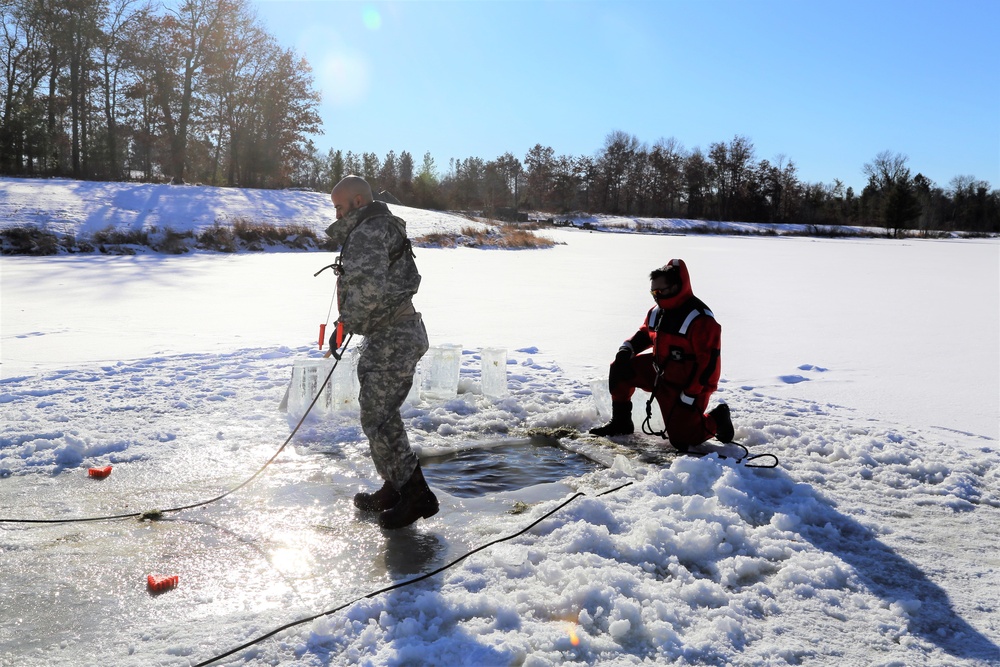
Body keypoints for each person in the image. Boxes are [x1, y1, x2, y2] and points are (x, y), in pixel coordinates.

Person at [324, 175, 438, 530]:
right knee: (380, 416)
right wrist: (349, 324)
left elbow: (368, 290)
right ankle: (395, 487)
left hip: (393, 336)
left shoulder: (370, 231)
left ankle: (417, 495)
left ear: (358, 202)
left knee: (379, 418)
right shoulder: (376, 226)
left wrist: (345, 324)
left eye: (339, 207)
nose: (336, 214)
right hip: (390, 333)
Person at [590, 258, 735, 449]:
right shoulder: (657, 312)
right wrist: (627, 349)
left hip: (689, 383)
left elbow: (707, 365)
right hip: (660, 371)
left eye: (660, 291)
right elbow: (646, 333)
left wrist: (689, 395)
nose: (656, 297)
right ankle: (621, 423)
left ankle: (718, 418)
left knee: (683, 440)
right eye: (653, 292)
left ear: (676, 287)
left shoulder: (701, 319)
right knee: (620, 368)